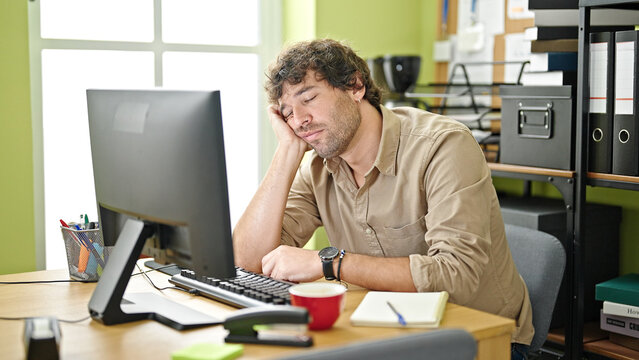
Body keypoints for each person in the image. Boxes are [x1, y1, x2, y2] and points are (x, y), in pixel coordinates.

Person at [232, 39, 533, 359]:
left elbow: (457, 276)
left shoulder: (443, 146)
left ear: (355, 86)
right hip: (384, 331)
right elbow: (247, 262)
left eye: (309, 98)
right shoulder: (319, 167)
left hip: (477, 339)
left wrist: (331, 262)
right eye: (288, 113)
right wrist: (286, 153)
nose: (299, 120)